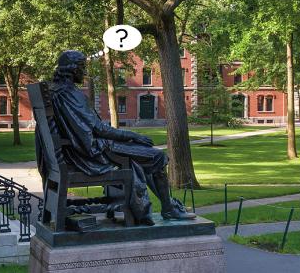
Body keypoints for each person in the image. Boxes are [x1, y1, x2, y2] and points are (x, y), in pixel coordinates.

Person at [38, 50, 195, 225]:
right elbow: (99, 129)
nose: (84, 72)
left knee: (143, 157)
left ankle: (168, 206)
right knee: (156, 156)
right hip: (89, 155)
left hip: (74, 152)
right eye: (82, 67)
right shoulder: (69, 94)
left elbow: (90, 128)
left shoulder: (56, 91)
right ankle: (168, 208)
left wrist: (128, 137)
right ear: (72, 69)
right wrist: (133, 135)